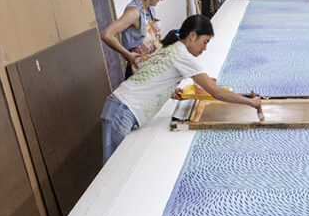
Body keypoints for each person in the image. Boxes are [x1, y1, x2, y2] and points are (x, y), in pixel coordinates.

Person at [100, 14, 263, 163]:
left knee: (115, 167)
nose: (205, 48)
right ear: (192, 36)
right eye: (205, 42)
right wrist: (250, 102)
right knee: (113, 171)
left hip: (120, 106)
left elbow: (152, 75)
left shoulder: (170, 47)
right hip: (123, 111)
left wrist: (169, 91)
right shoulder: (182, 55)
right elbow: (216, 92)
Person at [101, 0, 167, 78]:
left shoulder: (149, 9)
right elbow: (106, 35)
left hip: (149, 69)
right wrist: (127, 54)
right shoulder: (133, 12)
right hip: (137, 72)